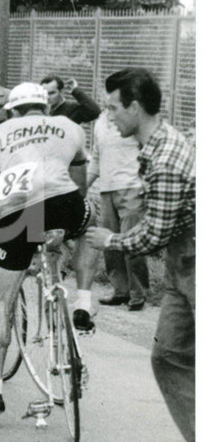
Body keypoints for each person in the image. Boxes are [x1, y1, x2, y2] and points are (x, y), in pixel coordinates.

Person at [84, 68, 194, 442]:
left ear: (134, 107)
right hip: (183, 265)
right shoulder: (155, 144)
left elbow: (155, 234)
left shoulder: (164, 158)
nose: (109, 116)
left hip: (195, 261)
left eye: (113, 108)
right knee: (168, 355)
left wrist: (111, 240)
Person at [0, 82, 94, 425]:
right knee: (90, 226)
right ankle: (84, 300)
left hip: (16, 213)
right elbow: (80, 185)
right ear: (46, 107)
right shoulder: (69, 126)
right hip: (63, 204)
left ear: (12, 111)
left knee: (0, 304)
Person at [87, 109, 149, 311]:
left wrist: (146, 183)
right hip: (106, 189)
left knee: (132, 240)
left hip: (131, 187)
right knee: (109, 241)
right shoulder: (100, 121)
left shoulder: (133, 117)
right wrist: (82, 187)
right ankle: (120, 290)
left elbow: (149, 151)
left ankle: (138, 294)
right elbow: (96, 157)